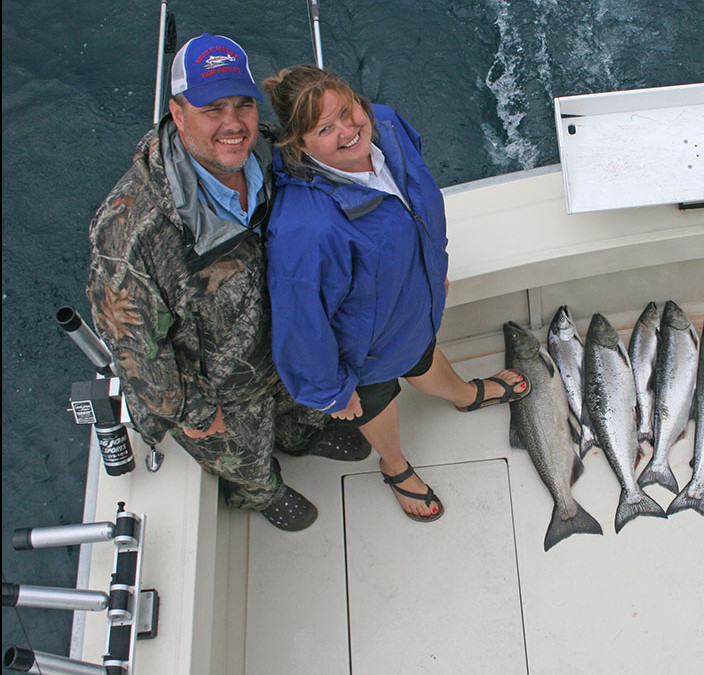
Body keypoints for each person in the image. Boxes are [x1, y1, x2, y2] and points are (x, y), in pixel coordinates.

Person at [86, 34, 370, 533]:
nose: (233, 123)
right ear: (177, 114)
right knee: (244, 457)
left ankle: (302, 437)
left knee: (298, 411)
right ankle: (262, 492)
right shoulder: (131, 230)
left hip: (284, 352)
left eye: (243, 104)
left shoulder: (269, 155)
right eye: (212, 108)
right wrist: (192, 409)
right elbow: (129, 346)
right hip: (220, 394)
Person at [262, 65, 531, 523]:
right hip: (362, 352)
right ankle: (395, 465)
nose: (349, 131)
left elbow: (416, 199)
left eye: (348, 111)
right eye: (326, 128)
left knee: (424, 356)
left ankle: (464, 394)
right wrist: (331, 393)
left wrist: (434, 268)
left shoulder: (384, 124)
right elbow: (300, 326)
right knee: (378, 399)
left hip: (413, 305)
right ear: (300, 145)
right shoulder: (304, 229)